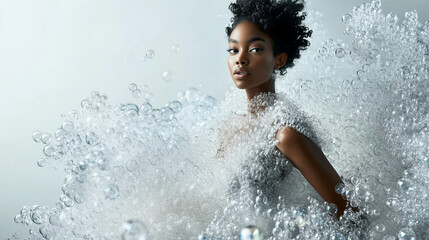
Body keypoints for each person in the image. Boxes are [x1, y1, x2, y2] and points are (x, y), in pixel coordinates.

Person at [224, 0, 349, 219]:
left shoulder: (286, 133)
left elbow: (350, 213)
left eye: (255, 49)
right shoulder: (232, 131)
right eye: (233, 50)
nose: (240, 59)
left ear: (279, 60)